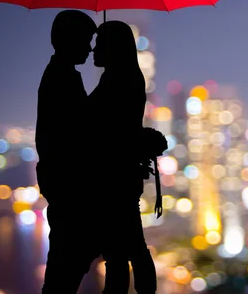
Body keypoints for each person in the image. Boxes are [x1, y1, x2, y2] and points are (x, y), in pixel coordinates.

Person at [89, 20, 157, 293]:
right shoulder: (125, 75)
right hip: (123, 173)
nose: (93, 51)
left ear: (113, 48)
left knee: (122, 250)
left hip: (115, 176)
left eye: (100, 45)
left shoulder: (119, 79)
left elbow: (96, 118)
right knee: (128, 246)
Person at [35, 10, 98, 293]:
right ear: (68, 40)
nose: (89, 48)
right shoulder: (63, 78)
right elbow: (78, 130)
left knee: (66, 263)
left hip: (61, 182)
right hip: (68, 183)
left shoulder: (61, 74)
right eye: (86, 40)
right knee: (67, 266)